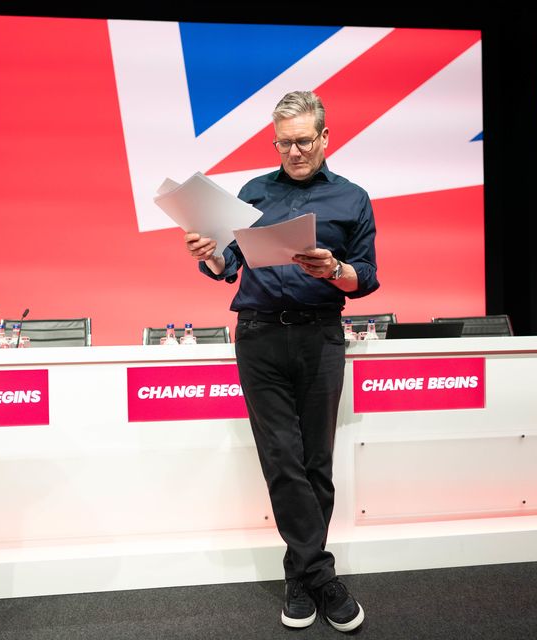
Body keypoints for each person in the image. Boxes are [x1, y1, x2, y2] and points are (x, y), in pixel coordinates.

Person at [184, 90, 379, 632]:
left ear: (323, 137)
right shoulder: (252, 192)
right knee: (282, 459)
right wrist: (212, 255)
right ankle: (322, 575)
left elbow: (367, 276)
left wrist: (334, 268)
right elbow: (229, 265)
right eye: (282, 143)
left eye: (301, 141)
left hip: (320, 336)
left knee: (316, 460)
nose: (292, 152)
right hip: (260, 337)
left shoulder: (352, 198)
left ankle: (299, 574)